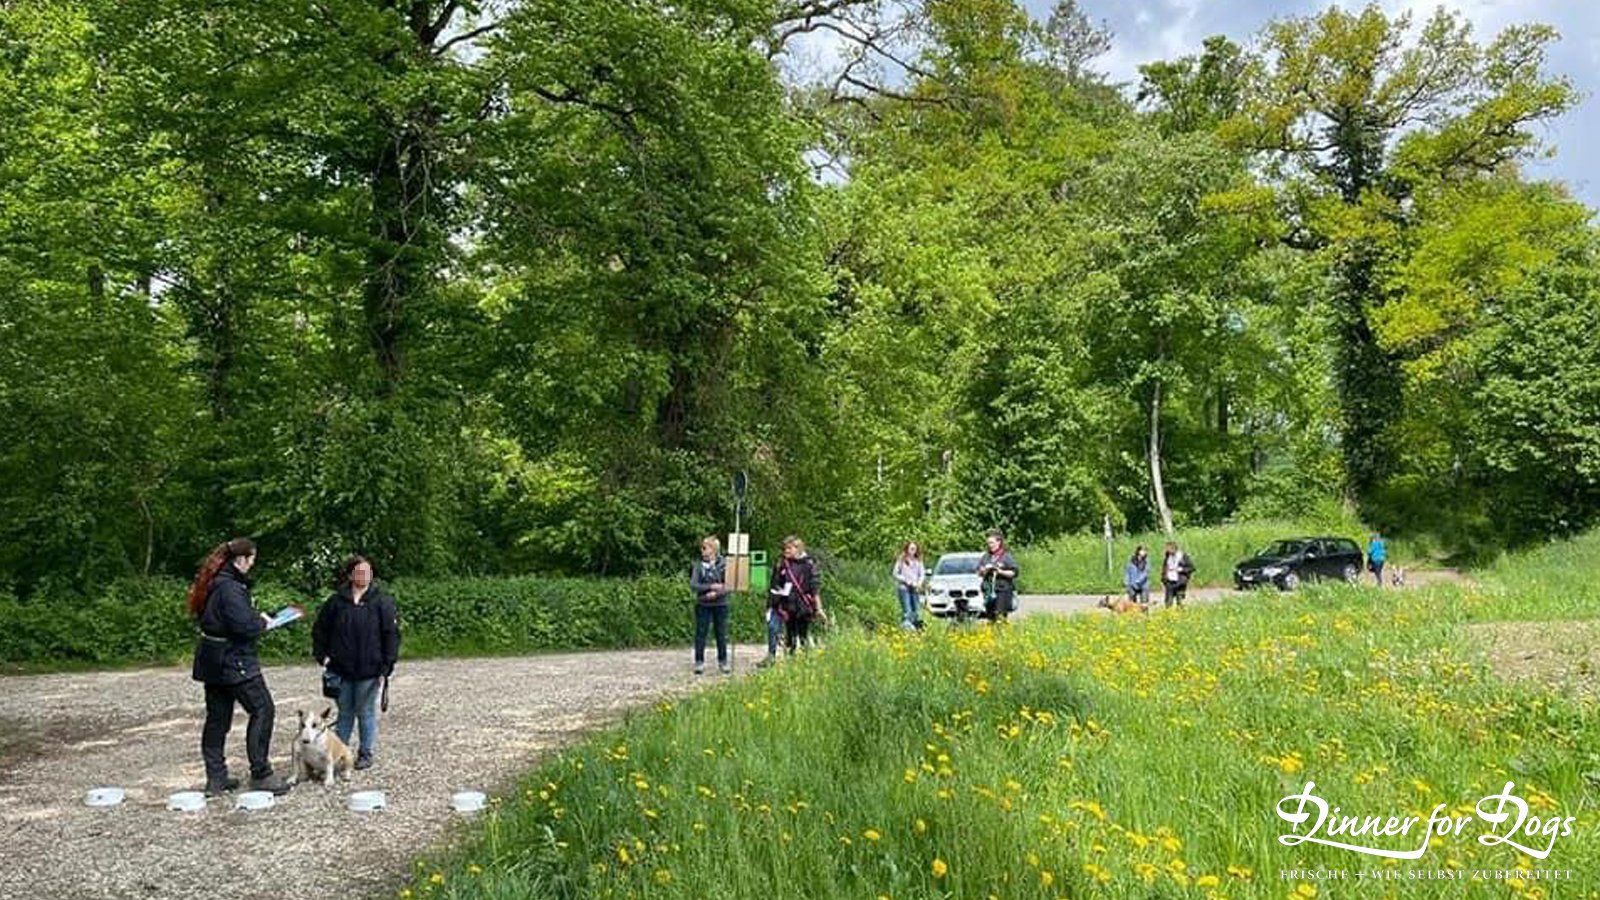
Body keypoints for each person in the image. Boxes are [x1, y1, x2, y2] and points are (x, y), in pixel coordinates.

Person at [188, 537, 292, 796]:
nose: (252, 565)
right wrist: (263, 622)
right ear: (241, 559)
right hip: (233, 660)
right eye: (252, 560)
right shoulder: (230, 588)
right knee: (262, 709)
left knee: (217, 719)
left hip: (212, 660)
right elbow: (243, 627)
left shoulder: (213, 582)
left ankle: (216, 778)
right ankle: (261, 773)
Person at [311, 555, 400, 771]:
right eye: (360, 572)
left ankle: (365, 753)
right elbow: (320, 630)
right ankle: (338, 754)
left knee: (366, 712)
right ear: (351, 575)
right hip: (341, 669)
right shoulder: (335, 602)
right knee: (345, 713)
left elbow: (391, 635)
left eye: (367, 572)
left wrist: (387, 666)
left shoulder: (383, 602)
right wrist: (322, 656)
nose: (364, 576)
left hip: (370, 669)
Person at [767, 536, 822, 657]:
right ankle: (789, 659)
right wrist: (774, 601)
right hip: (788, 605)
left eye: (789, 548)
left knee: (803, 634)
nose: (786, 551)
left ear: (798, 549)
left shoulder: (809, 564)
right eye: (785, 548)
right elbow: (775, 584)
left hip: (803, 606)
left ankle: (805, 658)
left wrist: (819, 608)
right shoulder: (783, 564)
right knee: (790, 635)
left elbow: (815, 588)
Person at [689, 536, 732, 675]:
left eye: (704, 548)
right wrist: (710, 586)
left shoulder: (724, 564)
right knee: (701, 633)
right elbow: (694, 585)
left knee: (721, 633)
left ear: (713, 550)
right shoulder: (698, 565)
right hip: (703, 603)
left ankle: (723, 661)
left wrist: (717, 593)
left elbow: (729, 585)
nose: (702, 550)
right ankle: (699, 661)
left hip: (721, 603)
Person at [977, 530, 1018, 622]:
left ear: (999, 542)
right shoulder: (986, 556)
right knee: (990, 616)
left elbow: (1014, 573)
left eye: (992, 543)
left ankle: (1001, 633)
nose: (990, 545)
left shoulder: (1006, 556)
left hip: (1002, 589)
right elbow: (979, 572)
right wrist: (984, 570)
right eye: (988, 543)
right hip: (988, 589)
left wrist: (1000, 571)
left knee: (1000, 615)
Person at [892, 541, 926, 630]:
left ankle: (915, 630)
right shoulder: (901, 560)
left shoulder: (918, 561)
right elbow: (895, 574)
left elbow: (922, 574)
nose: (913, 550)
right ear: (907, 549)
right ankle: (907, 630)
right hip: (904, 588)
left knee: (916, 611)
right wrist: (906, 580)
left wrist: (919, 583)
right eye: (911, 548)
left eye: (914, 549)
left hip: (915, 588)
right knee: (907, 611)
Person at [1160, 541, 1194, 608]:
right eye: (1167, 549)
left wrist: (1181, 570)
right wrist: (1164, 579)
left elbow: (1191, 568)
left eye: (1169, 549)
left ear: (1174, 548)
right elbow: (1164, 568)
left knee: (1180, 602)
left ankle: (1180, 616)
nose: (1168, 551)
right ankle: (1168, 616)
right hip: (1169, 582)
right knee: (1168, 602)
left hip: (1180, 582)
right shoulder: (1167, 557)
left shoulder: (1183, 556)